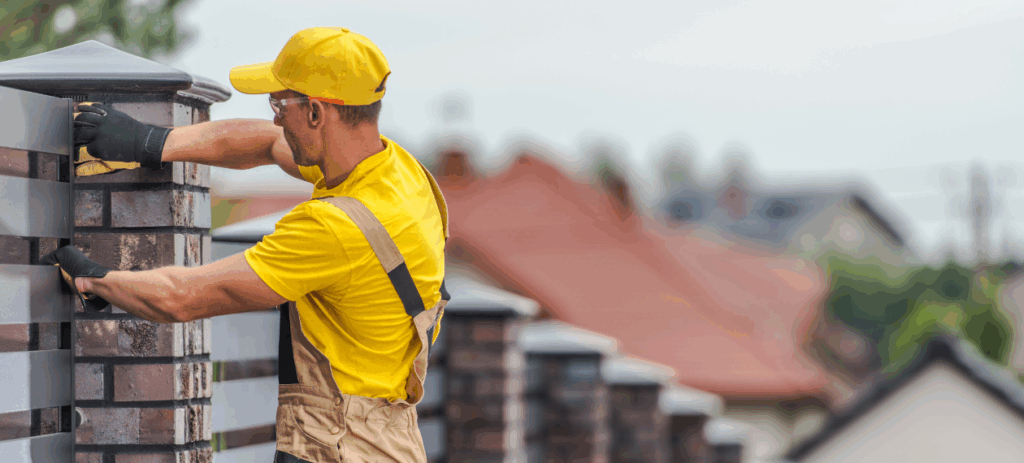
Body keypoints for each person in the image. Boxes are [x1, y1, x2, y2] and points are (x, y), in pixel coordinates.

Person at [42, 27, 447, 463]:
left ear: (316, 113)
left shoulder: (333, 229)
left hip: (335, 446)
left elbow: (184, 297)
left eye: (279, 104)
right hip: (391, 440)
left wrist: (95, 279)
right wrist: (153, 143)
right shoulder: (400, 173)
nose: (275, 117)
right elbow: (270, 143)